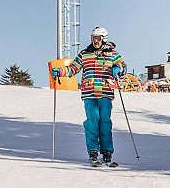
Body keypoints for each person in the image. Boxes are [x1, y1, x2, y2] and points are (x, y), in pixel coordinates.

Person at [50, 27, 127, 166]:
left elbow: (123, 66)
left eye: (97, 38)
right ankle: (93, 151)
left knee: (104, 121)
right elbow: (73, 68)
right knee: (92, 121)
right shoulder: (85, 54)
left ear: (103, 39)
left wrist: (118, 69)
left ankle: (107, 152)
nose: (94, 41)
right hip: (89, 93)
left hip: (105, 92)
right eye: (92, 38)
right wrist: (60, 71)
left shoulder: (113, 54)